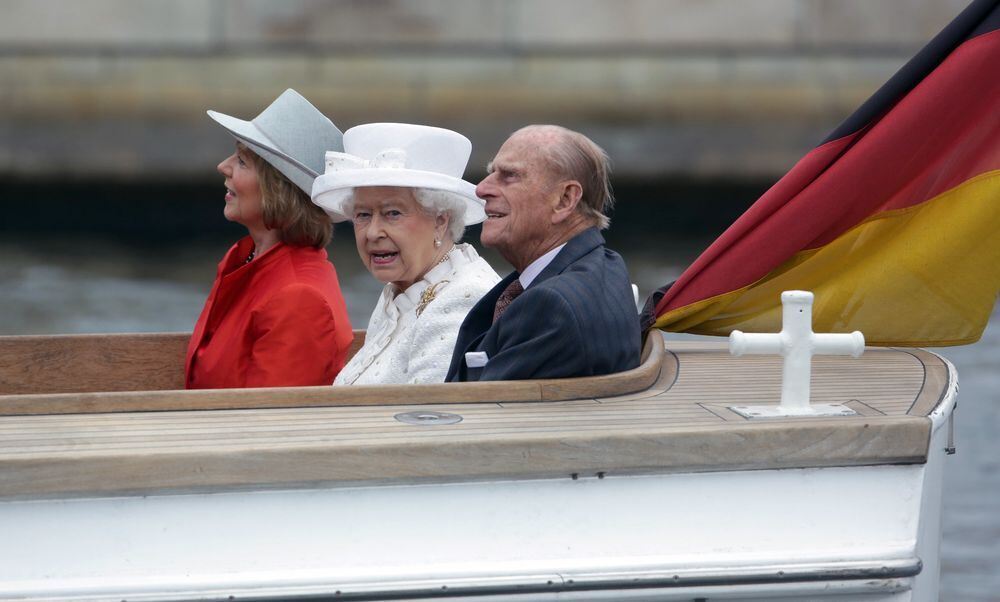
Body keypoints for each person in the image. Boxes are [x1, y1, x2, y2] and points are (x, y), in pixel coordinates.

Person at [185, 89, 353, 389]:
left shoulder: (299, 297)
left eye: (242, 161)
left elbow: (270, 425)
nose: (223, 167)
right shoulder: (246, 260)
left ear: (278, 189)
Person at [446, 125, 641, 382]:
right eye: (491, 173)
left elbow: (482, 414)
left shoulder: (553, 308)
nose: (481, 189)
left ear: (564, 199)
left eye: (509, 176)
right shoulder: (606, 266)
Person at [312, 123, 500, 385]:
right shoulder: (404, 286)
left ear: (440, 221)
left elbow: (425, 418)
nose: (372, 232)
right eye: (363, 215)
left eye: (393, 214)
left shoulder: (463, 299)